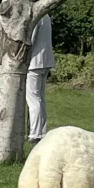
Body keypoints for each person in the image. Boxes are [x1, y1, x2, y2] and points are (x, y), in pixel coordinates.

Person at [26, 13, 54, 144]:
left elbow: (30, 40)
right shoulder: (46, 15)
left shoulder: (35, 15)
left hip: (34, 62)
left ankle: (35, 133)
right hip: (46, 60)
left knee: (33, 98)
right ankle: (41, 131)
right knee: (40, 98)